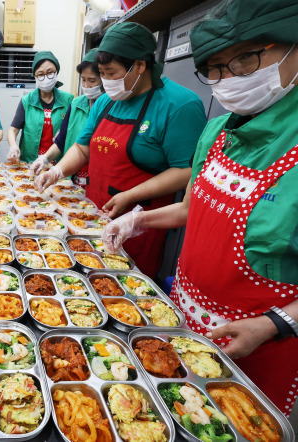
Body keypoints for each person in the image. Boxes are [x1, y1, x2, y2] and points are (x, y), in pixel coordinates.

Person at [102, 0, 298, 415]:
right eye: (215, 67)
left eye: (246, 58)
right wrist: (137, 219)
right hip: (185, 315)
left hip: (262, 338)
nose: (228, 78)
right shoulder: (216, 130)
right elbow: (191, 210)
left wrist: (273, 324)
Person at [35, 23, 206, 278]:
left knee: (128, 289)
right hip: (92, 214)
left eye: (111, 73)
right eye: (101, 73)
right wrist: (57, 170)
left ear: (139, 65)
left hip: (139, 223)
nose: (105, 81)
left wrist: (130, 195)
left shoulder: (179, 105)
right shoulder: (106, 101)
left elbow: (185, 171)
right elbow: (82, 148)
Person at [30, 49, 103, 187]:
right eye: (83, 80)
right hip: (72, 177)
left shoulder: (111, 107)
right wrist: (44, 159)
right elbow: (61, 141)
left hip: (96, 180)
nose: (86, 86)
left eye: (92, 81)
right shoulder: (76, 104)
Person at [7, 51, 74, 163]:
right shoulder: (27, 101)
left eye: (50, 73)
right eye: (41, 74)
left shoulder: (68, 100)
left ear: (56, 72)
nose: (46, 78)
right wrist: (13, 146)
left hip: (57, 163)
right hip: (30, 162)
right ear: (35, 76)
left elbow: (74, 130)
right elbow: (13, 129)